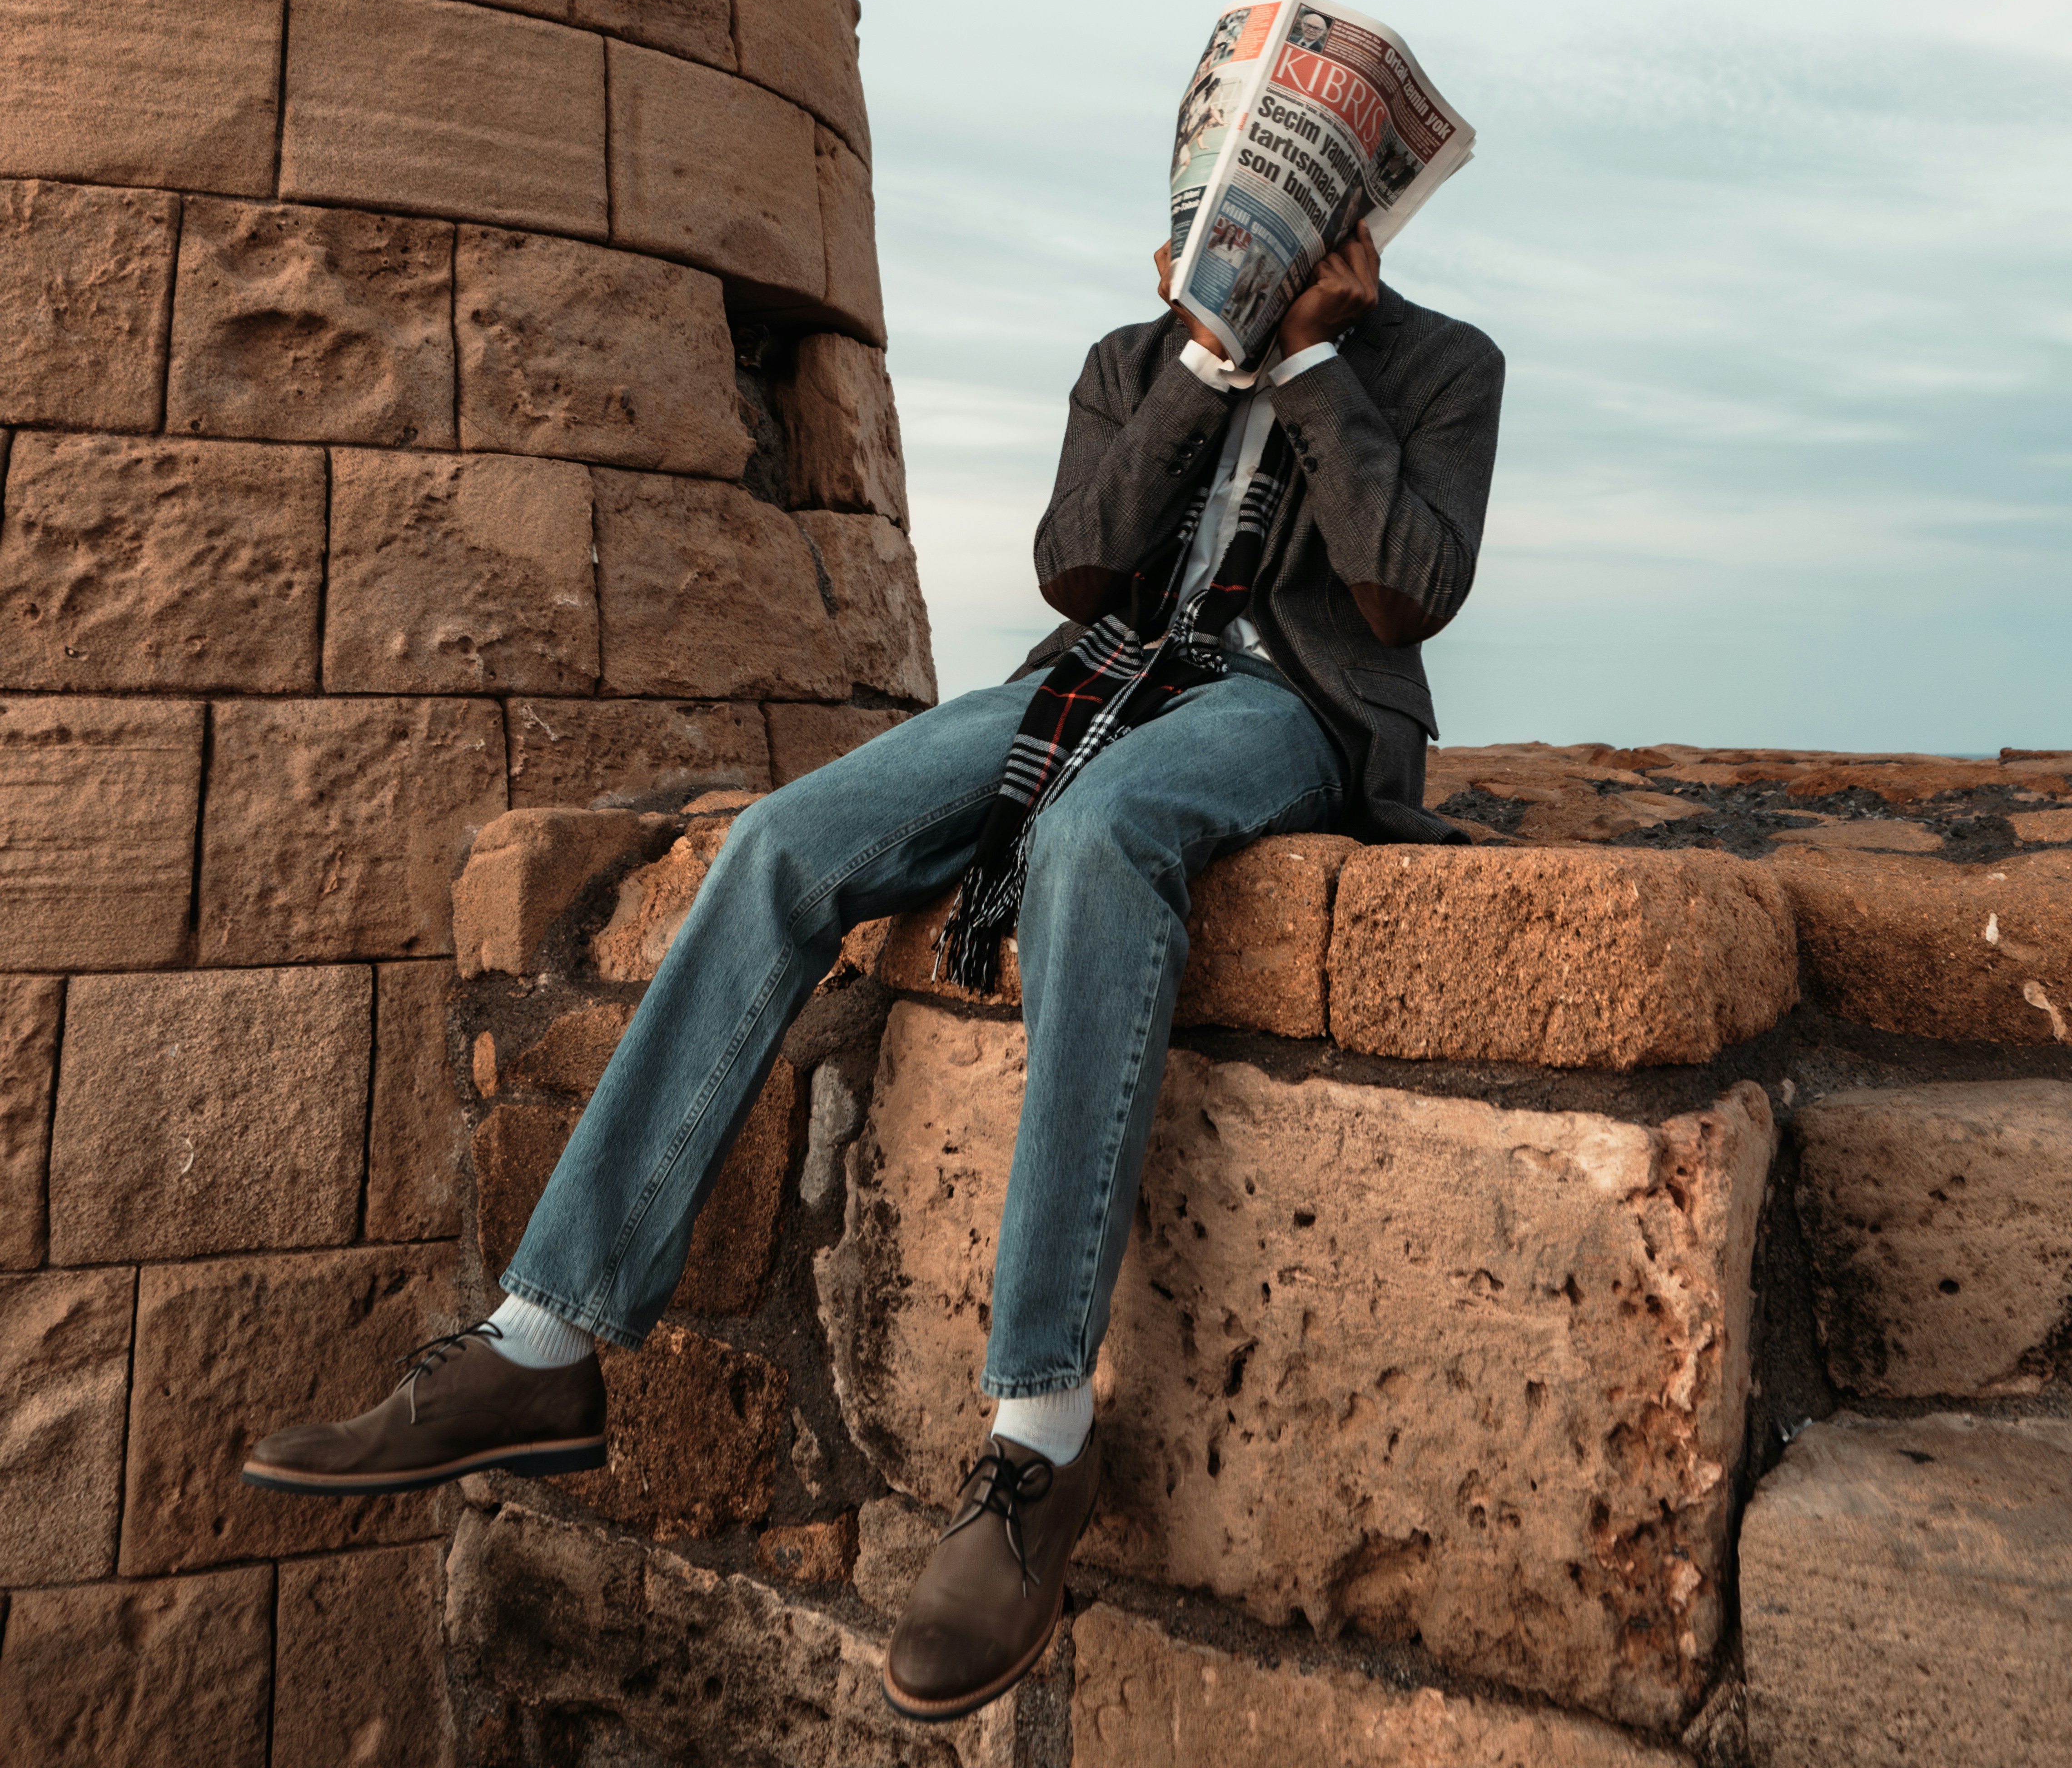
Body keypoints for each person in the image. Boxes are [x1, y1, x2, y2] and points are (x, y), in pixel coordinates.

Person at [244, 214, 1505, 1725]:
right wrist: (1204, 361)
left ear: (1363, 211)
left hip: (1282, 703)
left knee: (1095, 844)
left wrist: (1304, 357)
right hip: (1089, 680)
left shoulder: (1438, 364)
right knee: (778, 840)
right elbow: (1077, 564)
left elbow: (1402, 594)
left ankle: (1037, 1438)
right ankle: (544, 1340)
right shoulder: (1130, 362)